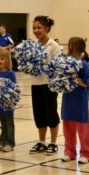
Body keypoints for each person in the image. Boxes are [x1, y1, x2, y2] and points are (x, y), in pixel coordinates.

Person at [29, 16, 62, 155]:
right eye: (34, 28)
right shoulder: (32, 45)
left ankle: (53, 143)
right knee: (39, 114)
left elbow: (58, 65)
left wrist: (43, 64)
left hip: (49, 85)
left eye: (39, 28)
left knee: (51, 114)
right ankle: (42, 141)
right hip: (35, 84)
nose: (36, 30)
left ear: (46, 28)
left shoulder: (54, 46)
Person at [61, 37, 89, 164]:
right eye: (69, 45)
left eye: (72, 45)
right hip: (68, 98)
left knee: (82, 128)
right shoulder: (65, 62)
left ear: (79, 47)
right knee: (67, 125)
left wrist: (73, 77)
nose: (70, 47)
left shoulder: (84, 64)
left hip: (80, 99)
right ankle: (69, 152)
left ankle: (86, 153)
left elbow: (85, 83)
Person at [0, 50, 17, 152]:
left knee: (9, 124)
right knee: (3, 124)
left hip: (8, 104)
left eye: (2, 59)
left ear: (7, 60)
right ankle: (2, 141)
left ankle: (10, 143)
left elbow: (14, 88)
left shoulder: (11, 73)